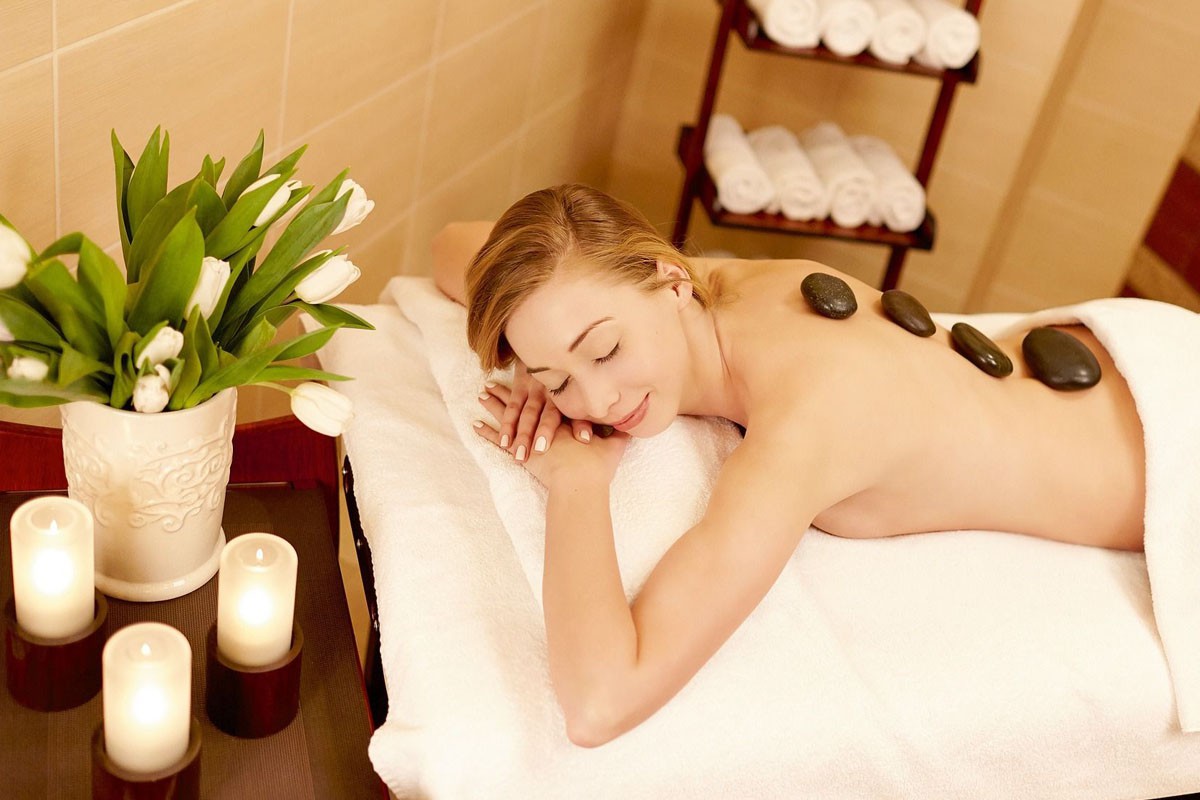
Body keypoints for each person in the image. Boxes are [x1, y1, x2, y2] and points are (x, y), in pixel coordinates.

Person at [431, 183, 1146, 748]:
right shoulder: (697, 286)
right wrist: (535, 361)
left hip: (1161, 437)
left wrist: (577, 484)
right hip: (1101, 358)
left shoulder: (808, 418)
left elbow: (600, 704)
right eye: (560, 382)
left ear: (669, 279)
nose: (596, 402)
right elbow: (452, 245)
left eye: (605, 350)